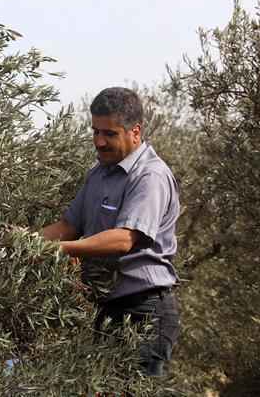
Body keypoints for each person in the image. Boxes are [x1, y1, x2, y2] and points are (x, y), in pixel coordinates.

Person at [41, 87, 180, 377]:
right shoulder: (98, 173)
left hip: (145, 310)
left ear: (135, 132)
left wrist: (59, 250)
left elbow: (124, 239)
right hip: (108, 308)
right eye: (95, 132)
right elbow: (68, 226)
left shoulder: (150, 176)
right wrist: (24, 243)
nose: (99, 142)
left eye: (110, 134)